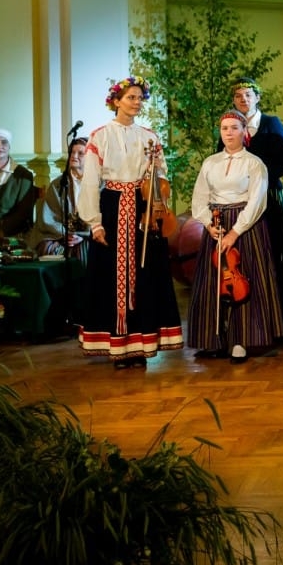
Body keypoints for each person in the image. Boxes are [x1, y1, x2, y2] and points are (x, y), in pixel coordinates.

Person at [77, 76, 184, 368]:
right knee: (113, 277)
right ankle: (118, 346)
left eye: (139, 98)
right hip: (113, 207)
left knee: (146, 275)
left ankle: (141, 346)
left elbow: (161, 175)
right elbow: (89, 183)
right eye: (130, 98)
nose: (136, 103)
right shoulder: (99, 136)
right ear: (116, 101)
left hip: (143, 208)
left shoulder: (149, 136)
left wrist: (156, 181)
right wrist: (95, 223)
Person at [188, 110, 283, 363]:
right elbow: (200, 197)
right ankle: (213, 339)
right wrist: (209, 225)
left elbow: (256, 202)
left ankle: (242, 340)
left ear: (244, 132)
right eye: (224, 129)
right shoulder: (210, 162)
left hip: (246, 226)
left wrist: (235, 232)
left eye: (234, 128)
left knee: (245, 278)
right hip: (217, 224)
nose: (229, 133)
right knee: (214, 280)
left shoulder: (254, 163)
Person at [226, 78, 283, 329]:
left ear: (257, 97)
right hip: (240, 198)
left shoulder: (271, 124)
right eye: (238, 96)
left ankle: (278, 312)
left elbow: (282, 162)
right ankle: (249, 310)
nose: (243, 99)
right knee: (246, 253)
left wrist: (258, 181)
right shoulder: (231, 126)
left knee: (274, 249)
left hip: (269, 196)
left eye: (248, 95)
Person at [30, 137, 89, 260]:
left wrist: (83, 235)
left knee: (83, 250)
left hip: (88, 236)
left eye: (80, 153)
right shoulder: (58, 184)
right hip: (59, 235)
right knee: (46, 248)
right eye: (72, 152)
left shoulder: (101, 185)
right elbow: (49, 217)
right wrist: (65, 234)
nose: (74, 156)